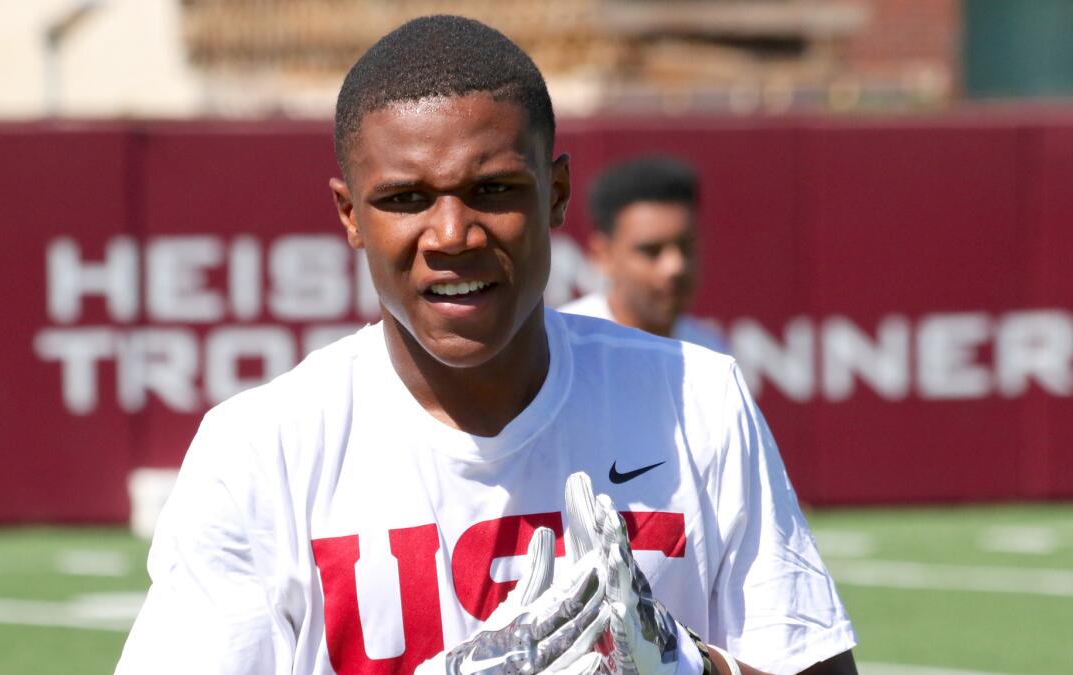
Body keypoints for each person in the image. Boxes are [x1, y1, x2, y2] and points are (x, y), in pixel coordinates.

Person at [115, 15, 857, 675]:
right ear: (349, 214)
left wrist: (686, 663)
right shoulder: (259, 447)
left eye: (494, 190)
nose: (451, 236)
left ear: (556, 193)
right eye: (405, 199)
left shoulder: (696, 395)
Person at [560, 156, 728, 354]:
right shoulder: (560, 345)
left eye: (686, 246)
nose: (675, 266)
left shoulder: (710, 353)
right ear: (603, 255)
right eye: (651, 251)